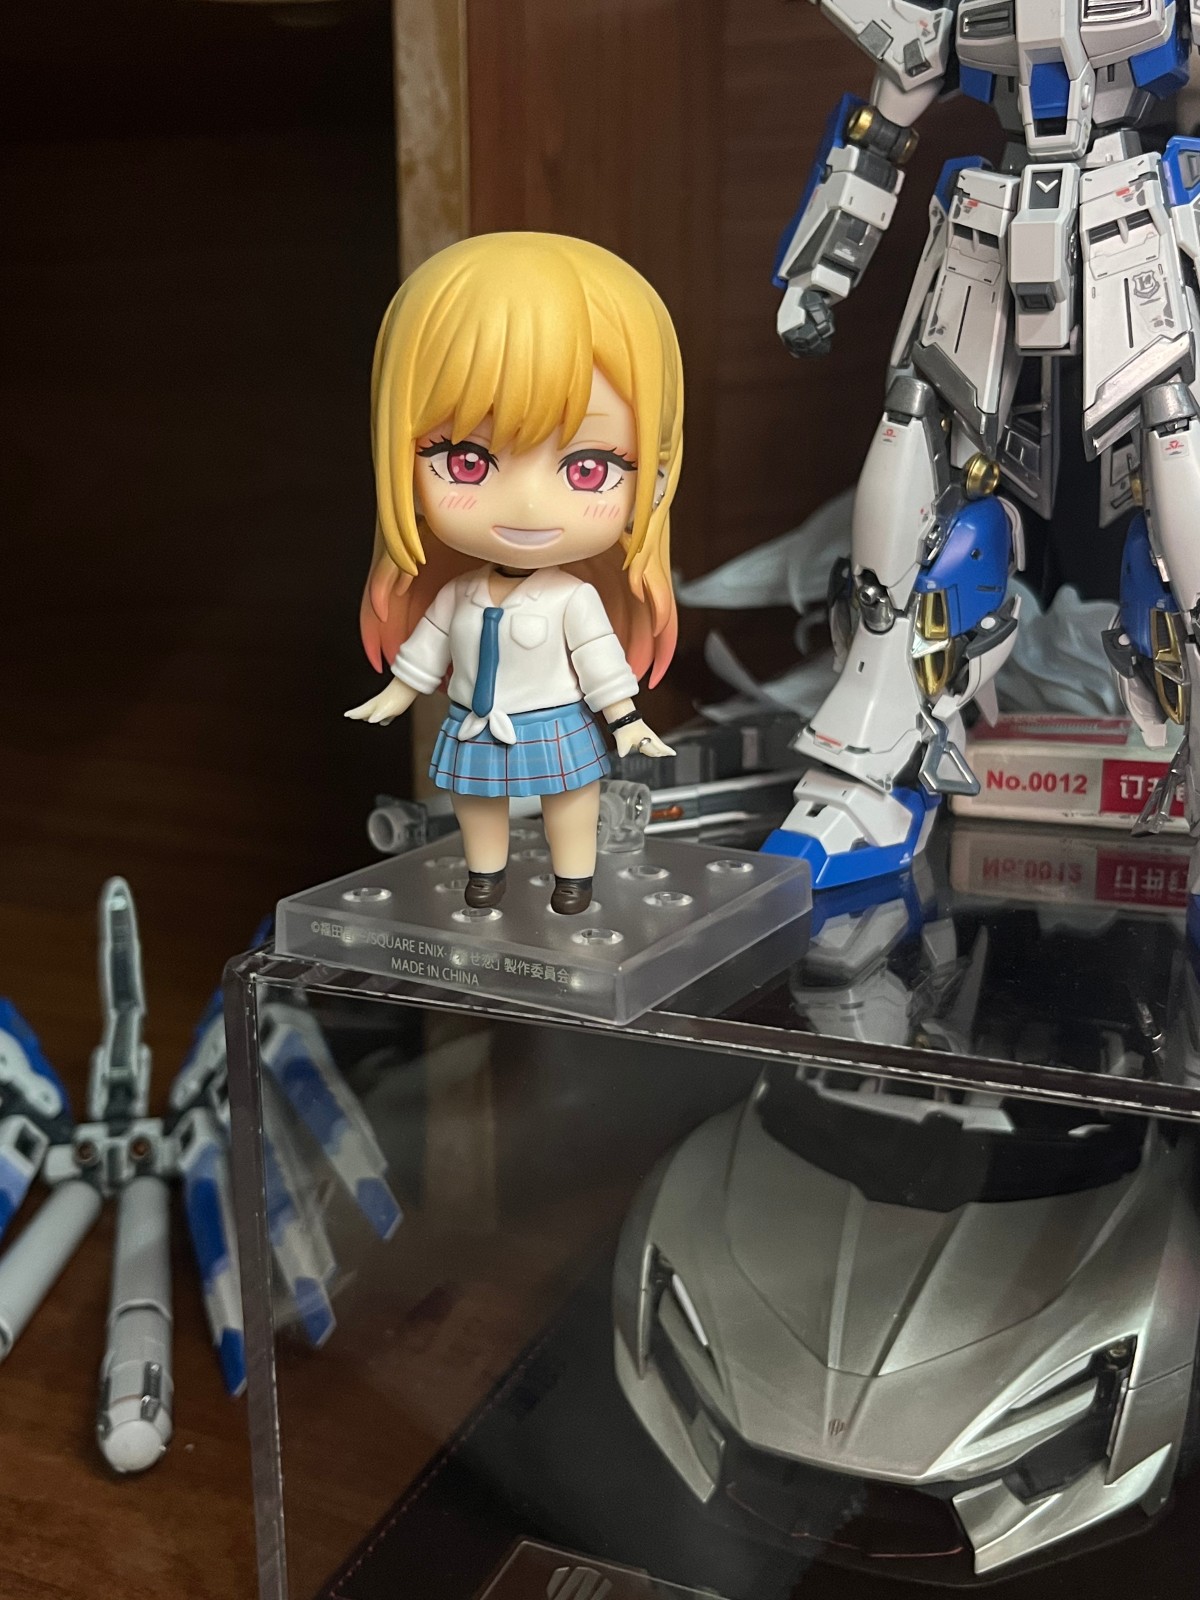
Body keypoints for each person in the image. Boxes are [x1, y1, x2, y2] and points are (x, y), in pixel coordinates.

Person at [346, 232, 683, 914]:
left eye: (588, 468)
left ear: (653, 476)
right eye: (466, 460)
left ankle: (574, 878)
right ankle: (485, 874)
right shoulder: (459, 593)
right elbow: (427, 648)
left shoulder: (573, 597)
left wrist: (624, 719)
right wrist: (399, 692)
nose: (528, 506)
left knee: (572, 797)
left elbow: (598, 659)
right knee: (475, 799)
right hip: (477, 723)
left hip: (556, 719)